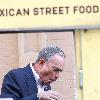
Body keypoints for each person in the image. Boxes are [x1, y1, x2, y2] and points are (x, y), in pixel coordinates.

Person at [0, 45, 65, 100]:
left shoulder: (46, 84)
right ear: (41, 63)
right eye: (55, 70)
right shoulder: (15, 76)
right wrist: (37, 97)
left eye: (60, 71)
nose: (57, 76)